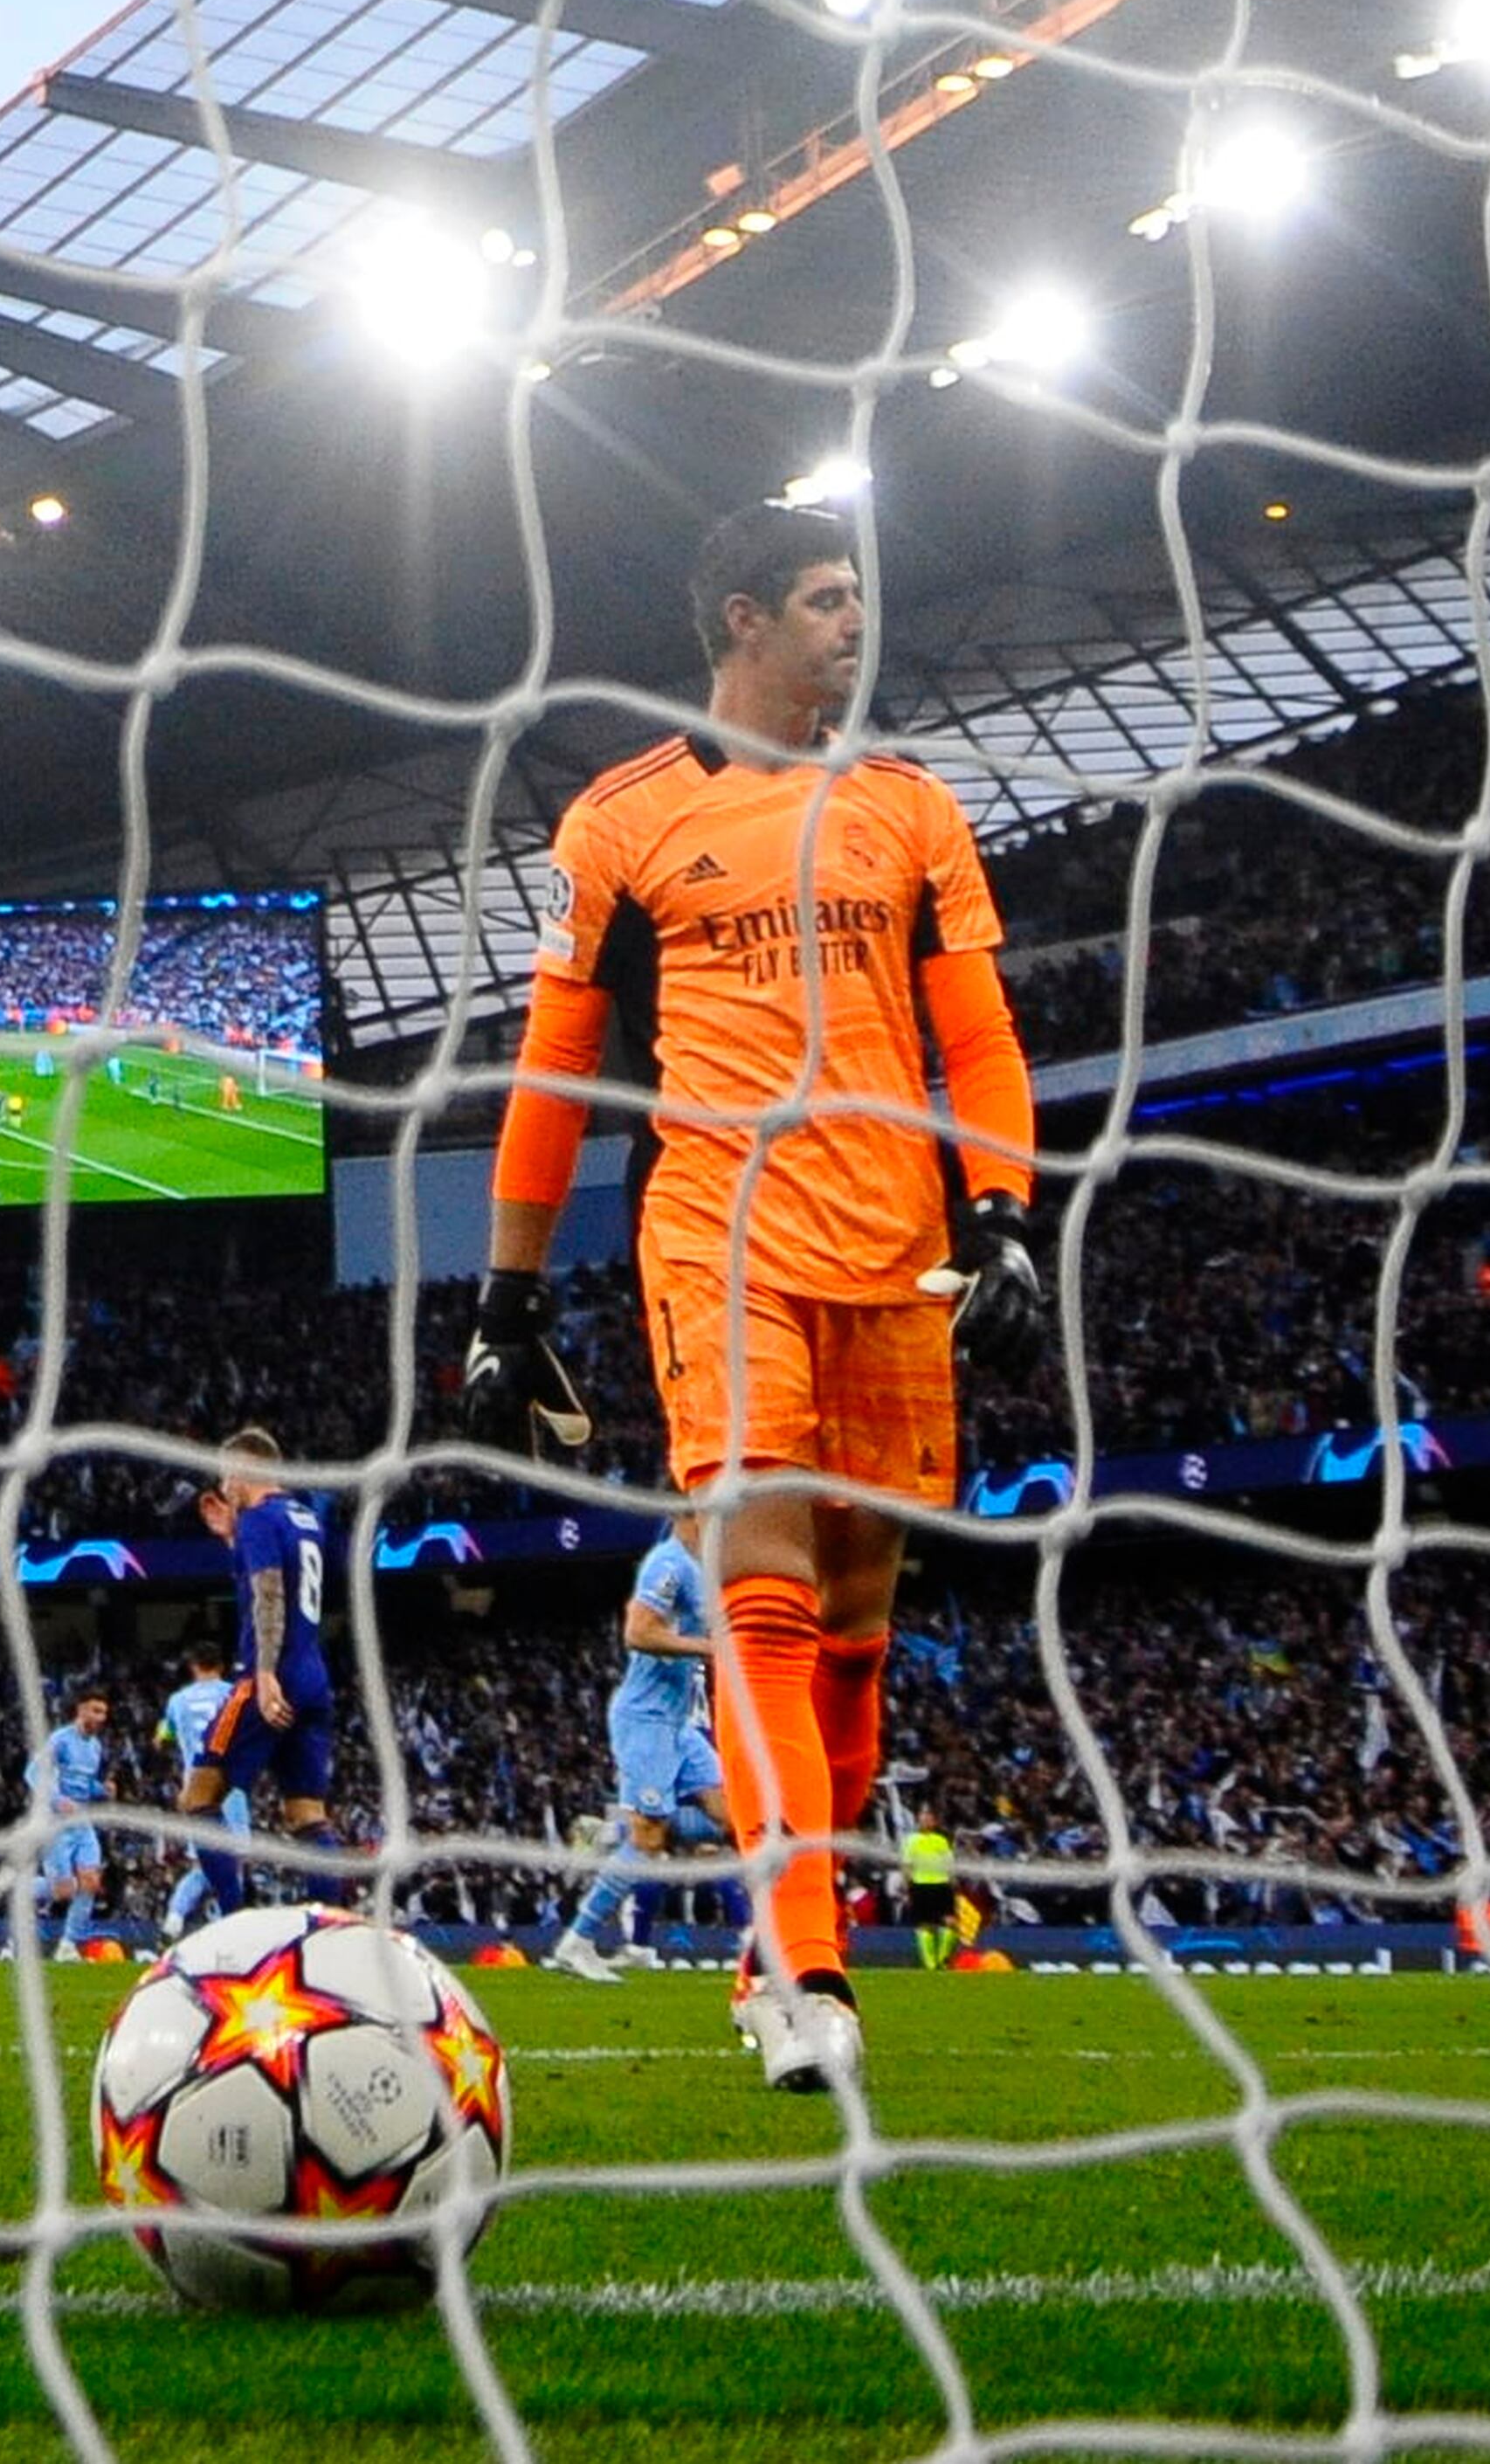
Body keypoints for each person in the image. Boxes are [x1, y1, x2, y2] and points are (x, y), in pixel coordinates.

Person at [464, 500, 1045, 2095]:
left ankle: (769, 1947)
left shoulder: (912, 807)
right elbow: (555, 1070)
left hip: (895, 1240)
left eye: (859, 594)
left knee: (857, 1626)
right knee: (767, 1592)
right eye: (826, 599)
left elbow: (979, 1039)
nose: (857, 623)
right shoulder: (623, 821)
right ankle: (806, 1965)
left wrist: (1003, 1214)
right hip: (719, 1229)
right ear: (741, 622)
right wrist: (506, 1299)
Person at [546, 1526, 730, 1981]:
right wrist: (707, 1648)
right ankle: (578, 1942)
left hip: (679, 1724)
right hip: (645, 1718)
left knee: (730, 1816)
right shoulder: (668, 1563)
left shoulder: (699, 1567)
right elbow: (638, 1632)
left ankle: (617, 1829)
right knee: (648, 1841)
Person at [186, 1428, 341, 1912]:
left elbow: (270, 1594)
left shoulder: (257, 1517)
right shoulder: (305, 1517)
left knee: (198, 1799)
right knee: (306, 1814)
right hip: (314, 1675)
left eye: (226, 1474)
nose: (224, 1485)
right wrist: (231, 1539)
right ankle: (329, 1929)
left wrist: (267, 1672)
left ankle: (233, 1917)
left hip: (268, 1675)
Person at [156, 1646, 252, 1945]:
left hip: (194, 1790)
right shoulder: (235, 1694)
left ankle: (172, 1922)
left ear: (193, 1666)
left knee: (203, 1863)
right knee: (232, 1862)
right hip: (229, 1787)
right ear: (222, 1666)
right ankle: (232, 1930)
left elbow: (161, 1739)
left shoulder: (177, 1701)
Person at [38, 1687, 114, 1958]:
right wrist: (57, 1801)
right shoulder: (59, 1740)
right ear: (81, 1710)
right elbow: (34, 1774)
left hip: (82, 1822)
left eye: (104, 1712)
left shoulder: (95, 1746)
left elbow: (83, 1783)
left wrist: (101, 1789)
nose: (102, 1717)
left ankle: (68, 1945)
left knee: (91, 1882)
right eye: (96, 1711)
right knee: (63, 1891)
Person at [903, 1812, 959, 1971]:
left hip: (941, 1884)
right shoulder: (912, 1841)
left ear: (934, 1823)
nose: (925, 1823)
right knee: (924, 1925)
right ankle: (931, 1964)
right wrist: (908, 1887)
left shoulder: (941, 1841)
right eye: (922, 1820)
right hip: (920, 1885)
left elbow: (949, 1864)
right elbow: (907, 1864)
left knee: (950, 1922)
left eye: (928, 1820)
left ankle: (943, 1959)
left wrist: (953, 1882)